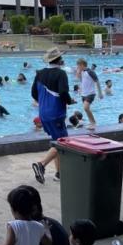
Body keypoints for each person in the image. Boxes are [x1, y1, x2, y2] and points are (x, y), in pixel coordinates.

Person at [31, 48, 73, 184]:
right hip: (56, 113)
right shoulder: (61, 74)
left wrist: (44, 101)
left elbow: (34, 94)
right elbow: (63, 92)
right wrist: (69, 101)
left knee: (57, 140)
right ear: (59, 60)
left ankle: (59, 174)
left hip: (43, 113)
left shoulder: (39, 73)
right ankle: (41, 164)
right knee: (63, 142)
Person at [75, 59, 101, 130]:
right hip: (84, 94)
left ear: (82, 65)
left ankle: (94, 123)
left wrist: (100, 93)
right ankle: (91, 122)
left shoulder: (90, 72)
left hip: (91, 93)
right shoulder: (82, 72)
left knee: (86, 108)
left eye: (78, 65)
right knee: (87, 109)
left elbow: (97, 81)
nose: (77, 67)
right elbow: (79, 80)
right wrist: (78, 73)